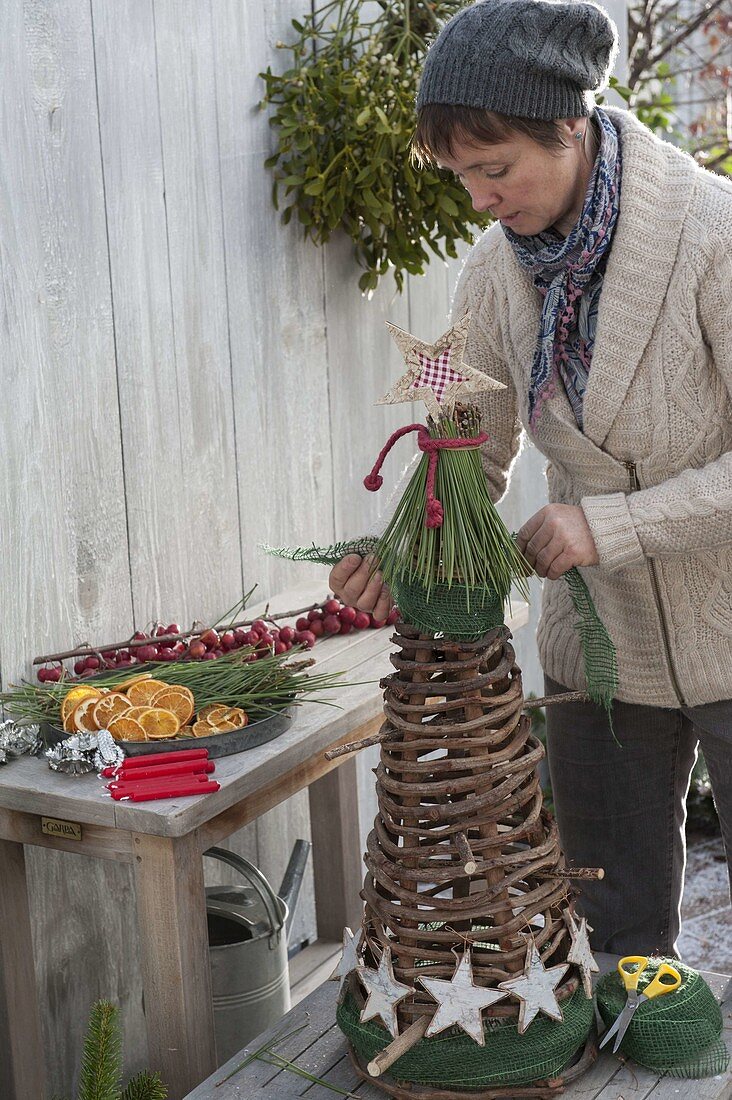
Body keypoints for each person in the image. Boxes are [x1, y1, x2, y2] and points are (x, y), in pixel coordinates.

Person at [329, 0, 732, 956]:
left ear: (569, 125)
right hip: (599, 649)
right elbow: (463, 453)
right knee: (613, 924)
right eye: (462, 175)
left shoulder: (712, 237)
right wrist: (405, 552)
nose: (478, 199)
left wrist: (613, 525)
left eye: (495, 168)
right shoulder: (492, 276)